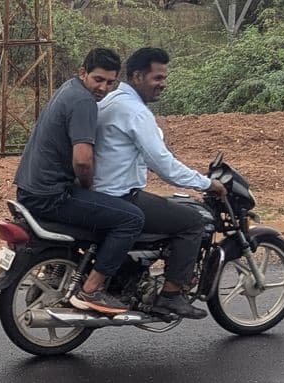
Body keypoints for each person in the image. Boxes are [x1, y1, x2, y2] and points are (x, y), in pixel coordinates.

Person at [93, 46, 227, 319]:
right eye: (157, 78)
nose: (162, 85)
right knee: (191, 222)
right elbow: (164, 165)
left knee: (165, 209)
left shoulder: (110, 101)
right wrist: (206, 183)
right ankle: (170, 294)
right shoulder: (135, 112)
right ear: (138, 76)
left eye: (164, 78)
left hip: (99, 193)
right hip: (119, 196)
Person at [13, 47, 145, 316]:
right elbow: (82, 160)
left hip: (29, 190)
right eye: (98, 79)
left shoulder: (68, 89)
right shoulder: (84, 102)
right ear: (83, 72)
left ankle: (56, 270)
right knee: (131, 218)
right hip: (50, 196)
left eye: (110, 82)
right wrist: (90, 188)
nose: (103, 88)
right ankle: (92, 289)